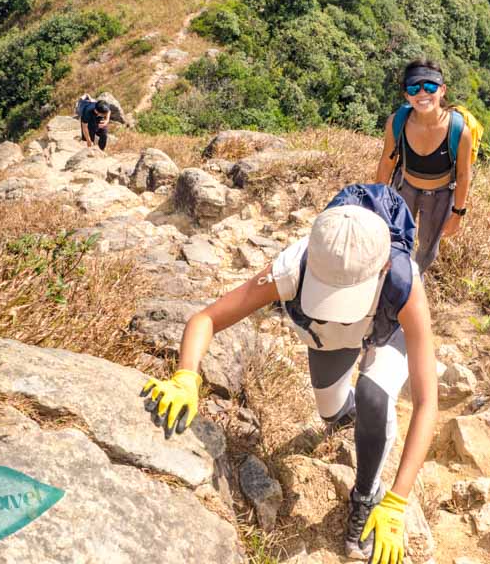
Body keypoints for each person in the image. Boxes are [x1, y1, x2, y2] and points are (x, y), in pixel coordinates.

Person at [140, 184, 438, 564]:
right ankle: (355, 422)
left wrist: (397, 501)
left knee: (373, 396)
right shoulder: (291, 266)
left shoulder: (403, 284)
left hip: (385, 330)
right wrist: (186, 377)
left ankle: (366, 494)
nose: (333, 304)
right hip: (332, 339)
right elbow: (206, 319)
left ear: (382, 268)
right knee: (331, 413)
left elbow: (429, 401)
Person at [375, 59, 472, 274]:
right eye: (413, 87)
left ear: (442, 90)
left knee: (428, 248)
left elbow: (464, 175)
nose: (422, 94)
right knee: (396, 240)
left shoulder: (459, 131)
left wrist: (457, 214)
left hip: (440, 195)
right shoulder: (397, 121)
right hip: (404, 187)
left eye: (429, 87)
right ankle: (399, 278)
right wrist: (379, 197)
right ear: (406, 95)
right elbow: (387, 160)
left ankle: (416, 278)